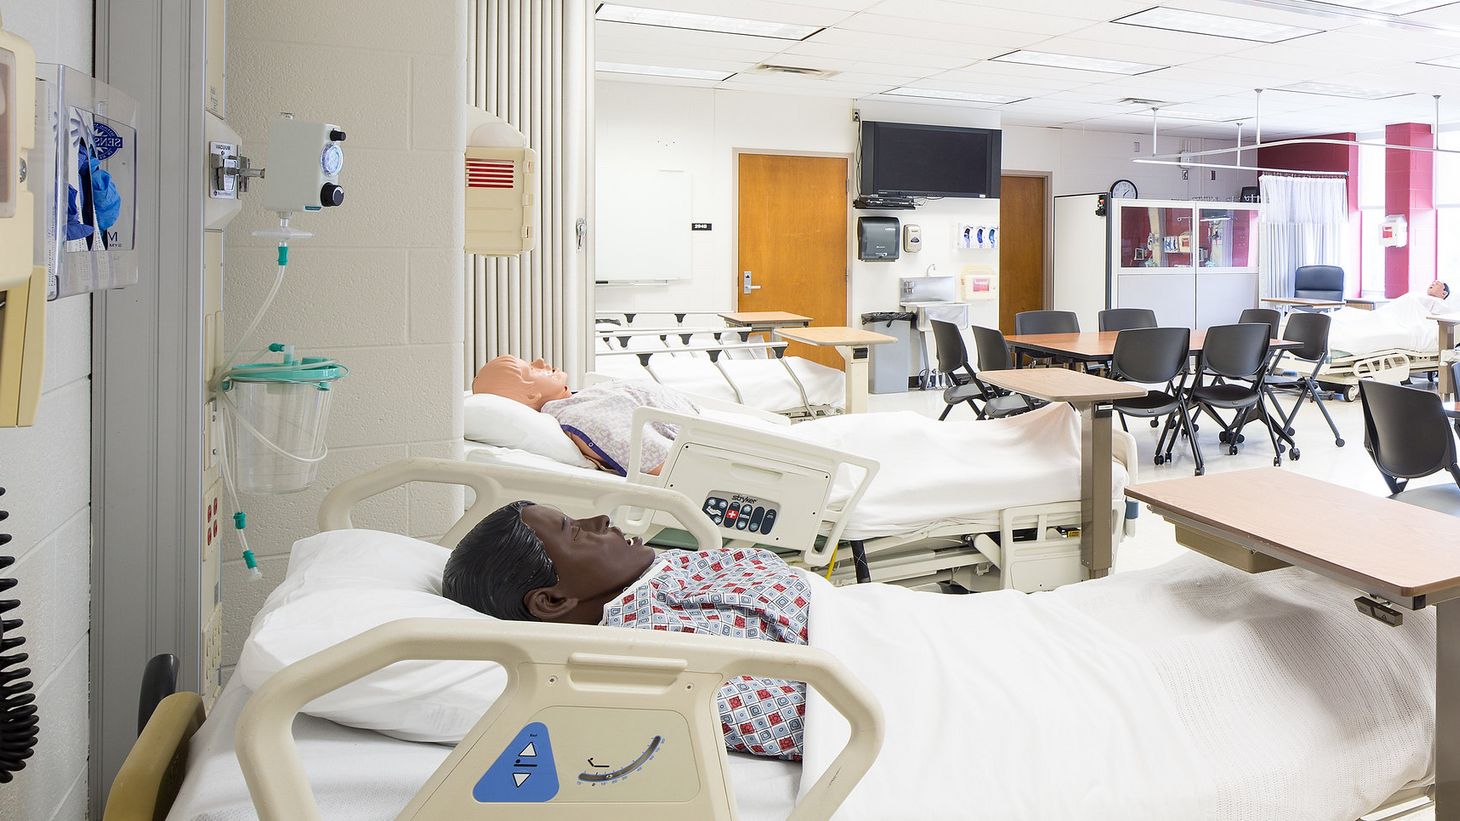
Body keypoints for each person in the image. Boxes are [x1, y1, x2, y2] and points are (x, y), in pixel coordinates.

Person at [442, 500, 811, 760]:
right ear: (552, 601)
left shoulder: (659, 575)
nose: (601, 519)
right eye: (574, 533)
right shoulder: (651, 656)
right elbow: (812, 716)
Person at [474, 354, 700, 474]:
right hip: (711, 447)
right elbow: (659, 463)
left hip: (705, 429)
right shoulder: (581, 419)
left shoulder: (578, 401)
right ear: (531, 396)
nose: (541, 361)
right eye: (531, 369)